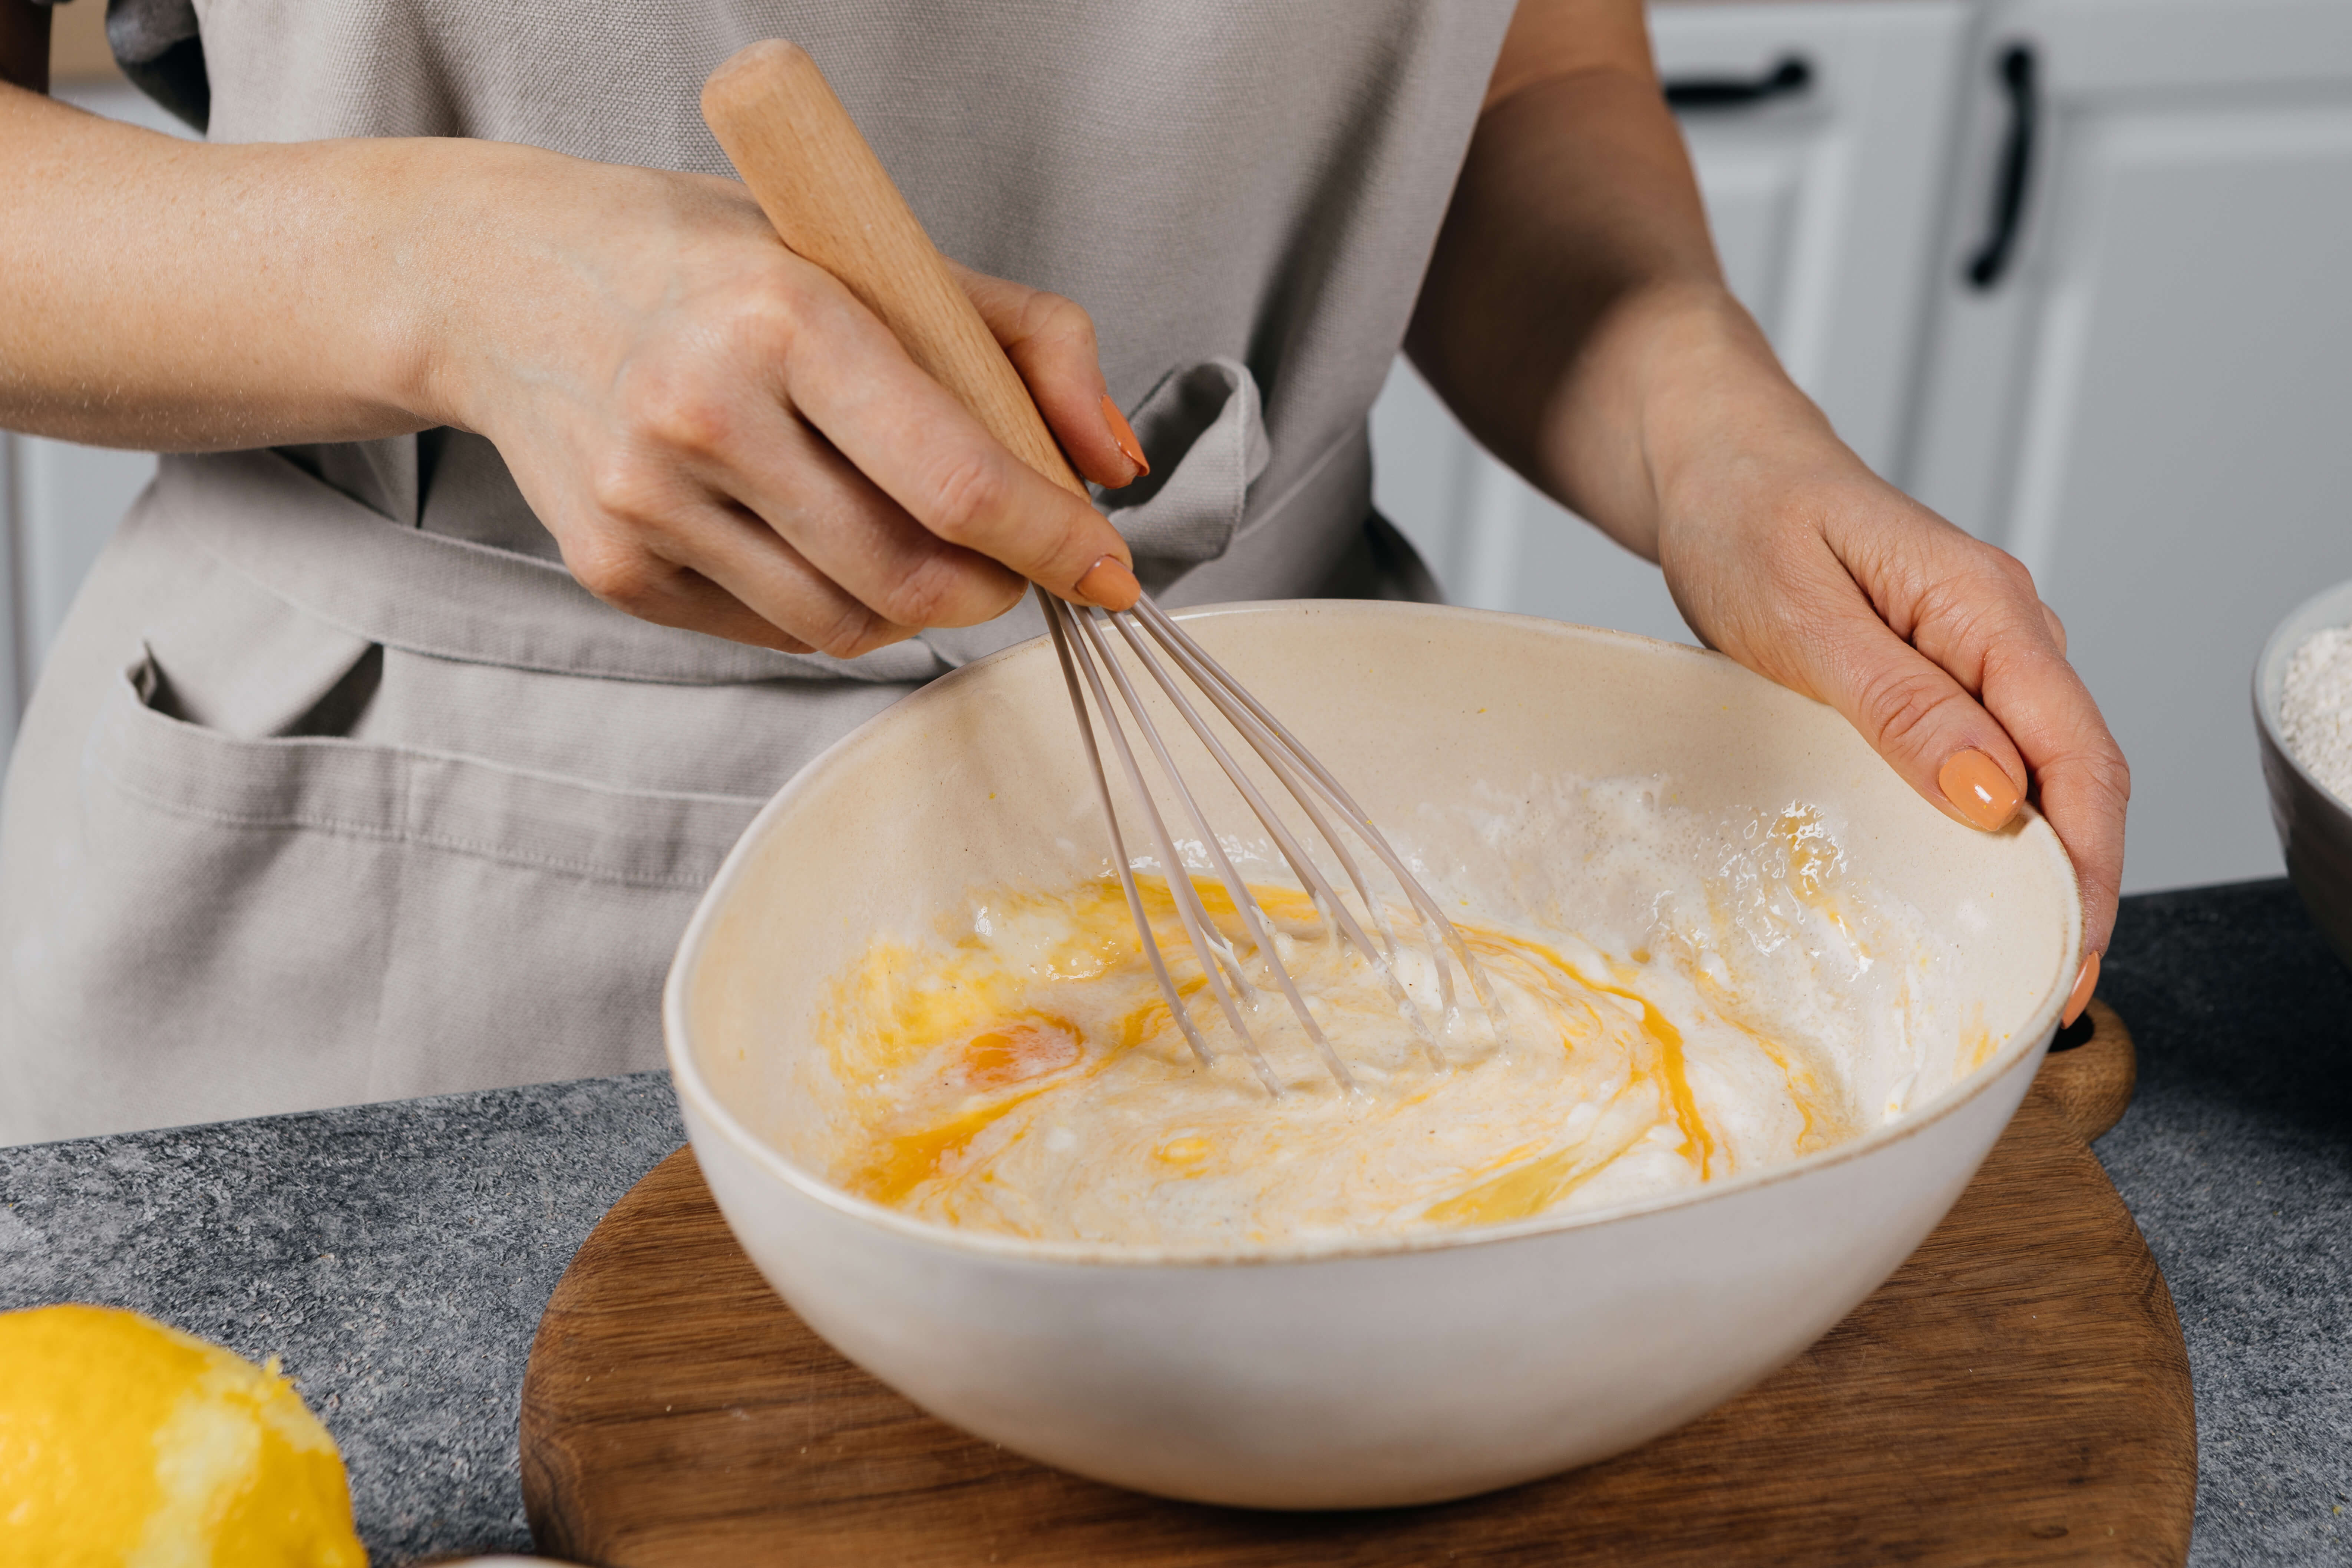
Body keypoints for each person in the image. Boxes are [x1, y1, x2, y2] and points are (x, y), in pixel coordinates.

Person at [0, 0, 2126, 1143]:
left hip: (1288, 844)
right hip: (393, 918)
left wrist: (1715, 448)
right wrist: (443, 277)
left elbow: (1526, 68)